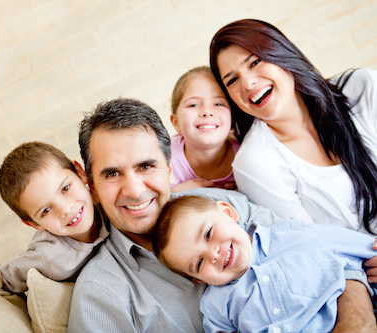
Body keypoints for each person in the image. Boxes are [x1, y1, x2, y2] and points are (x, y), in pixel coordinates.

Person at [67, 97, 377, 332]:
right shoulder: (100, 293)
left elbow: (312, 251)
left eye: (146, 166)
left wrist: (358, 319)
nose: (134, 190)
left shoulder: (217, 203)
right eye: (112, 174)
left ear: (170, 167)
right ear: (90, 185)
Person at [209, 19, 377, 238]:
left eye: (255, 62)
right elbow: (314, 245)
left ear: (281, 54)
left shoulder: (362, 87)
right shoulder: (255, 163)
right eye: (232, 80)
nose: (248, 83)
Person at [154, 195, 377, 332]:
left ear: (228, 212)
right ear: (198, 280)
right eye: (200, 262)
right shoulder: (215, 305)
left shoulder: (299, 235)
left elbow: (365, 247)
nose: (213, 254)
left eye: (209, 234)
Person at [0, 142, 108, 293]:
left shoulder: (109, 200)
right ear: (34, 224)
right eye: (46, 210)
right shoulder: (47, 257)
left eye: (65, 188)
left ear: (80, 172)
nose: (65, 209)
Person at [169, 66, 239, 192]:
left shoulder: (245, 151)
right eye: (193, 105)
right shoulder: (163, 158)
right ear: (176, 122)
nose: (207, 112)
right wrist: (174, 194)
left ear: (232, 119)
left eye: (218, 104)